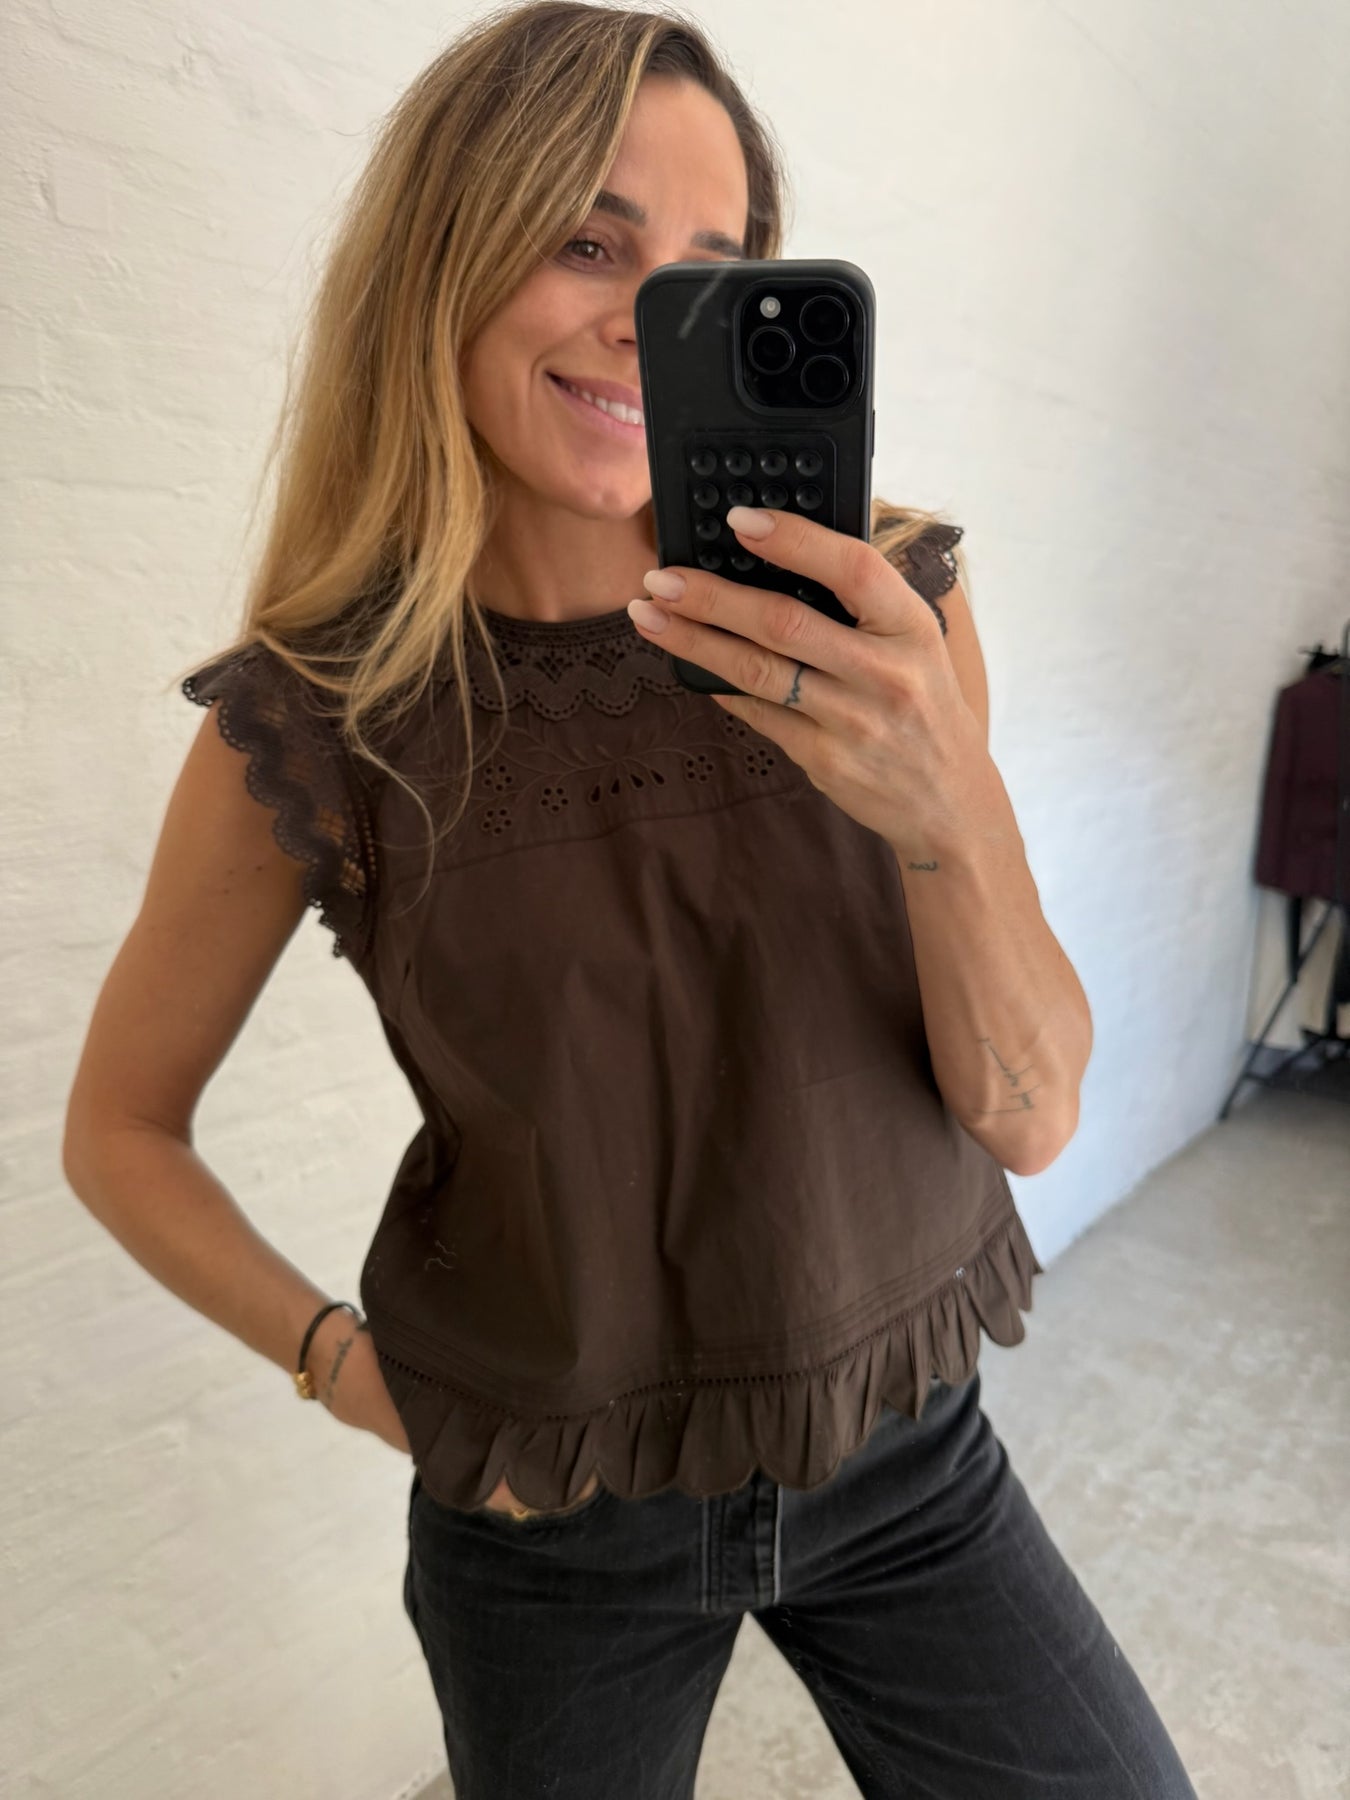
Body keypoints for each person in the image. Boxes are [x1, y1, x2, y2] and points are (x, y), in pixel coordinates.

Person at [61, 4, 1198, 1795]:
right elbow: (120, 1130)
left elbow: (1030, 1117)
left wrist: (947, 820)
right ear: (440, 260)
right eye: (587, 243)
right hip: (550, 1523)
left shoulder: (886, 616)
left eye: (708, 272)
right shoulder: (325, 717)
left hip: (902, 1454)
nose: (642, 321)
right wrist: (346, 1371)